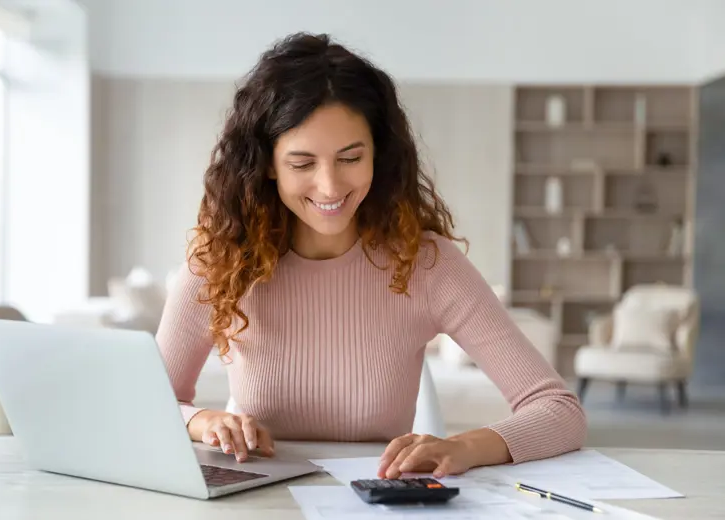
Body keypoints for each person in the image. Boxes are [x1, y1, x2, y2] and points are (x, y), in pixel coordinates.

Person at [156, 32, 586, 480]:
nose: (330, 186)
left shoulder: (426, 264)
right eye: (302, 163)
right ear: (267, 164)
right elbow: (148, 407)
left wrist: (465, 446)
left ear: (378, 153)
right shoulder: (219, 263)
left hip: (377, 502)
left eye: (350, 158)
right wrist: (201, 422)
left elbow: (558, 410)